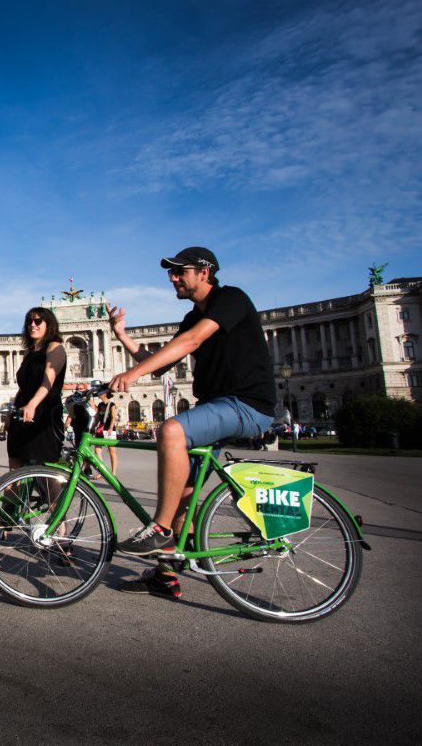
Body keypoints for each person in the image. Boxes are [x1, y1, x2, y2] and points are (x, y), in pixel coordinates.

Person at [108, 247, 275, 600]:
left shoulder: (230, 298)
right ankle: (166, 576)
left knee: (171, 429)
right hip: (217, 405)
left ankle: (159, 529)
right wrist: (122, 336)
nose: (172, 278)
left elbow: (193, 341)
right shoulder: (190, 318)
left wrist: (133, 374)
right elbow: (162, 362)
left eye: (178, 271)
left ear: (204, 271)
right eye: (171, 273)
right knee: (182, 493)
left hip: (246, 404)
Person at [5, 308, 67, 471]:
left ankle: (53, 498)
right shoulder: (28, 352)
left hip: (43, 415)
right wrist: (12, 410)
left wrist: (32, 405)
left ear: (49, 324)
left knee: (43, 470)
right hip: (22, 413)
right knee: (15, 468)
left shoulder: (55, 348)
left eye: (38, 321)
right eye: (29, 321)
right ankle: (11, 497)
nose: (32, 325)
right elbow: (23, 387)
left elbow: (48, 381)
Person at [94, 394, 120, 476]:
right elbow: (97, 417)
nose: (99, 394)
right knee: (97, 450)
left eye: (100, 393)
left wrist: (111, 428)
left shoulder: (111, 404)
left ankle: (114, 472)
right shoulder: (100, 405)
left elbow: (113, 417)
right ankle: (102, 471)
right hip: (101, 428)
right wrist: (93, 427)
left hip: (109, 429)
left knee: (111, 451)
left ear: (104, 394)